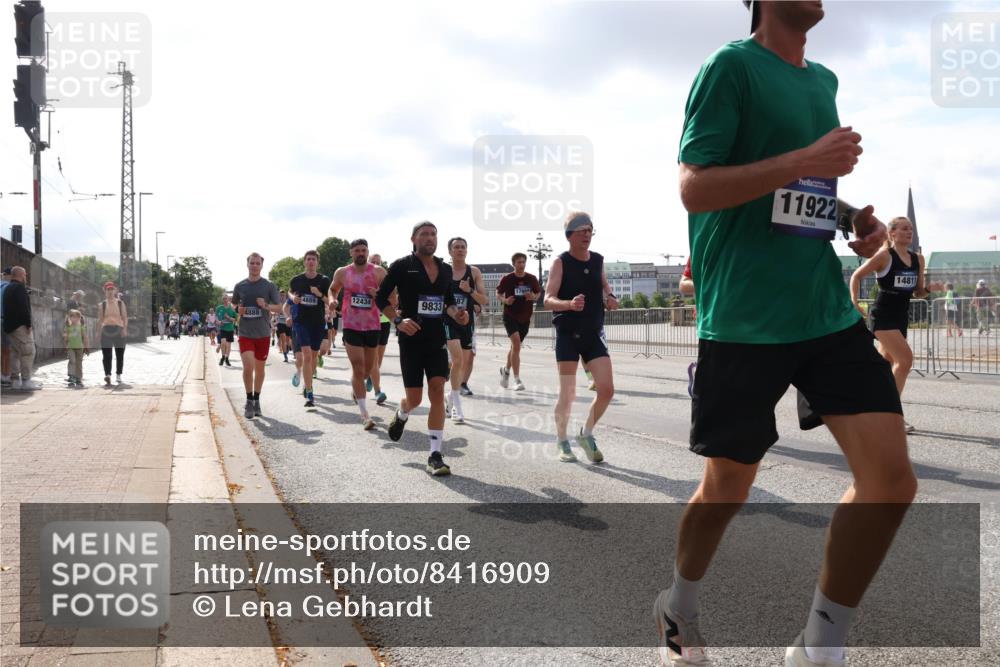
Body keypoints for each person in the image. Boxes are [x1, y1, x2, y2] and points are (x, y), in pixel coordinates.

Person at [656, 4, 913, 667]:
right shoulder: (730, 67)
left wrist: (852, 218)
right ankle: (678, 606)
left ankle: (819, 647)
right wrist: (807, 156)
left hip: (823, 311)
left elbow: (802, 190)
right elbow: (694, 187)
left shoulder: (822, 80)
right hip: (744, 315)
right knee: (727, 488)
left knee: (891, 480)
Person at [376, 221, 469, 476]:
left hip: (436, 338)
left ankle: (435, 454)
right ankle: (403, 412)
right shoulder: (401, 266)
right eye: (424, 234)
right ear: (413, 239)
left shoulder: (445, 269)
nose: (430, 238)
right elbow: (380, 298)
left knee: (437, 390)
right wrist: (397, 321)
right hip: (411, 339)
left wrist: (458, 314)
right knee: (415, 398)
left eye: (433, 234)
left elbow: (448, 302)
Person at [544, 212, 616, 464]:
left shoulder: (597, 260)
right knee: (568, 393)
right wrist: (568, 304)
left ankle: (586, 433)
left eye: (590, 230)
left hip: (593, 334)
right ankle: (562, 440)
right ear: (569, 235)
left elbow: (605, 286)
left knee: (606, 390)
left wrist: (610, 297)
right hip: (568, 334)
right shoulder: (560, 262)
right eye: (582, 230)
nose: (587, 234)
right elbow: (547, 299)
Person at [850, 216, 927, 434]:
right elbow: (856, 276)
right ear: (892, 233)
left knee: (884, 366)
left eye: (910, 228)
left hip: (901, 317)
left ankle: (863, 406)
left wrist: (931, 289)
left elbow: (918, 292)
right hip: (882, 316)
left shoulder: (918, 259)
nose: (909, 232)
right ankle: (891, 417)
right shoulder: (885, 256)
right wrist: (854, 301)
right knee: (905, 361)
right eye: (904, 228)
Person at [329, 239, 387, 430]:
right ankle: (365, 415)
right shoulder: (342, 272)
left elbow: (392, 297)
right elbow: (333, 289)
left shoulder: (378, 272)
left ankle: (357, 388)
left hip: (372, 325)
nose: (360, 253)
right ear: (351, 253)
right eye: (357, 250)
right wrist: (332, 300)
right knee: (358, 366)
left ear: (367, 252)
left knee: (368, 370)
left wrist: (378, 294)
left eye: (363, 250)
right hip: (351, 325)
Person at [232, 253, 282, 418]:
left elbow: (279, 308)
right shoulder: (240, 286)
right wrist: (237, 310)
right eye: (252, 263)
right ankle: (248, 400)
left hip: (263, 334)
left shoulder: (269, 286)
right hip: (245, 332)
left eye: (257, 263)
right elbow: (234, 305)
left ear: (261, 265)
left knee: (260, 369)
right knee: (248, 367)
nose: (254, 266)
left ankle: (256, 400)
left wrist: (265, 305)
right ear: (247, 264)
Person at [443, 237, 487, 422]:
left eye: (463, 247)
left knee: (462, 363)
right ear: (450, 251)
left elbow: (484, 300)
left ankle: (449, 397)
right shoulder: (443, 271)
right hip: (448, 321)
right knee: (457, 359)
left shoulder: (474, 272)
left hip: (467, 322)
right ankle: (457, 408)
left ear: (466, 250)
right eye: (456, 247)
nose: (460, 250)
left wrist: (469, 290)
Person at [289, 250, 332, 409]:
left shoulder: (324, 280)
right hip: (301, 322)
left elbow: (329, 301)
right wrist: (293, 298)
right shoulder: (297, 280)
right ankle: (309, 392)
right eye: (308, 259)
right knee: (307, 355)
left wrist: (319, 294)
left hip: (317, 323)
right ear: (304, 262)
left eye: (313, 259)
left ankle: (308, 383)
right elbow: (290, 292)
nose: (311, 262)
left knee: (313, 357)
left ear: (317, 262)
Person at [497, 252, 541, 391]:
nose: (521, 265)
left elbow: (538, 293)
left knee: (514, 348)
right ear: (514, 264)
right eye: (519, 262)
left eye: (523, 262)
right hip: (510, 315)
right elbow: (498, 294)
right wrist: (505, 300)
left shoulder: (531, 278)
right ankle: (517, 380)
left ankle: (505, 370)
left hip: (525, 317)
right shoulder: (507, 279)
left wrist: (533, 296)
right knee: (516, 344)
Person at [2, 266, 40, 390]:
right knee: (28, 352)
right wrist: (28, 324)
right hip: (20, 326)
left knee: (15, 353)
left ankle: (15, 381)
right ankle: (26, 381)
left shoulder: (8, 288)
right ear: (20, 275)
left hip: (9, 326)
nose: (26, 276)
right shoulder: (20, 288)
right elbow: (24, 308)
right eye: (24, 274)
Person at [366, 253, 392, 405]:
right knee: (373, 357)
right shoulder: (363, 278)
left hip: (384, 320)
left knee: (379, 358)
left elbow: (393, 299)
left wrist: (379, 295)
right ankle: (377, 389)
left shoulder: (385, 279)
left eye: (378, 262)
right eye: (373, 261)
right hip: (370, 322)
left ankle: (372, 376)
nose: (376, 264)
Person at [98, 281, 128, 385]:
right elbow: (100, 320)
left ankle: (118, 374)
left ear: (115, 290)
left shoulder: (120, 303)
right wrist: (99, 332)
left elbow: (124, 317)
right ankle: (108, 375)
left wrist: (124, 329)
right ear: (105, 291)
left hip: (118, 329)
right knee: (106, 353)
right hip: (106, 330)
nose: (110, 291)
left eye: (112, 289)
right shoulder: (102, 305)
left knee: (120, 353)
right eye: (108, 289)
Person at [63, 309, 89, 387]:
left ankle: (78, 379)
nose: (76, 318)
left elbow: (85, 337)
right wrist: (65, 345)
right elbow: (65, 337)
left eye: (78, 317)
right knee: (72, 361)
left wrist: (86, 347)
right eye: (73, 317)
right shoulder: (68, 327)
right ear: (70, 318)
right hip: (71, 347)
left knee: (79, 363)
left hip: (80, 348)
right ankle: (71, 377)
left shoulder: (81, 327)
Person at [216, 294, 238, 366]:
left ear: (228, 299)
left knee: (228, 345)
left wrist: (228, 317)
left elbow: (235, 319)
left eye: (226, 298)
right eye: (224, 299)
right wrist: (218, 322)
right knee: (223, 342)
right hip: (223, 328)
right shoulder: (219, 308)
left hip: (230, 329)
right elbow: (216, 317)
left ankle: (227, 358)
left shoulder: (232, 308)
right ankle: (222, 357)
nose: (225, 300)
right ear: (222, 300)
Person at [1, 267, 13, 387]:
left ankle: (2, 375)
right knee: (7, 350)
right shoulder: (9, 287)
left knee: (2, 350)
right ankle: (6, 376)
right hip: (5, 320)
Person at [275, 289, 291, 362]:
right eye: (280, 295)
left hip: (287, 323)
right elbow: (275, 312)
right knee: (283, 339)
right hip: (280, 323)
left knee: (288, 340)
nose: (282, 297)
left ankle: (287, 348)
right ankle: (285, 356)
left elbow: (291, 311)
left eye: (283, 295)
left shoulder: (288, 302)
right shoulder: (277, 303)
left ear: (285, 296)